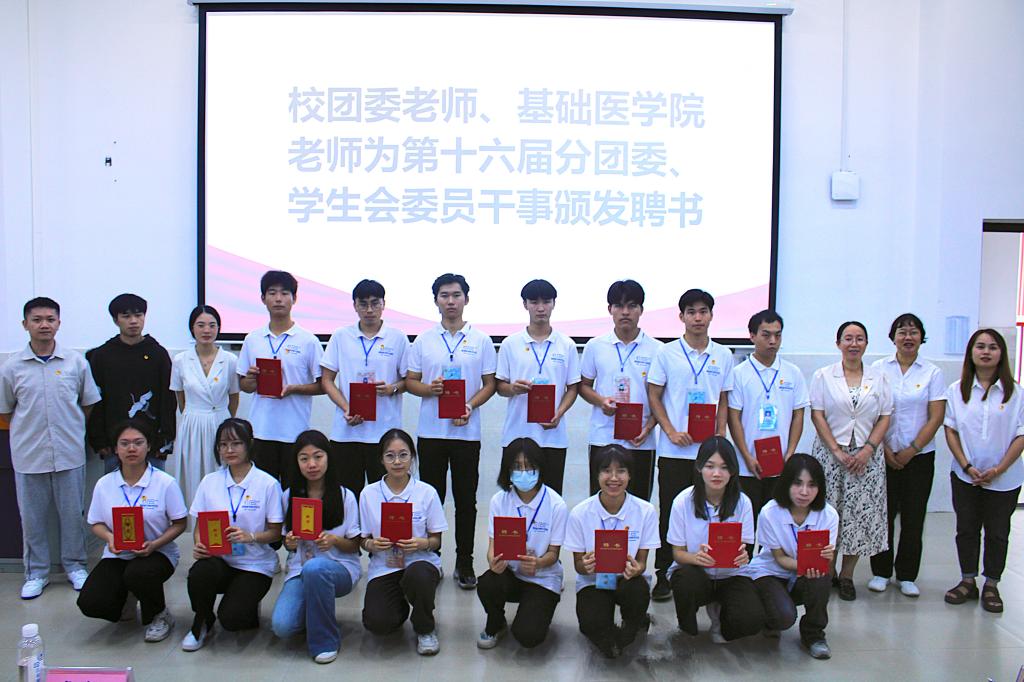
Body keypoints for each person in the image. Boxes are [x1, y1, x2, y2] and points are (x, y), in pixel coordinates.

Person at [0, 297, 101, 599]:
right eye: (37, 319)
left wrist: (69, 429)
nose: (44, 325)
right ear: (25, 324)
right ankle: (36, 573)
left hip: (69, 453)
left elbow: (87, 404)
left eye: (50, 319)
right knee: (32, 520)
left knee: (72, 516)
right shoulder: (12, 367)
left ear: (58, 323)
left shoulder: (75, 363)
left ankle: (75, 566)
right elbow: (6, 411)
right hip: (28, 456)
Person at [404, 273, 496, 589]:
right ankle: (431, 560)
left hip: (466, 434)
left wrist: (469, 405)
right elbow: (411, 381)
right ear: (436, 301)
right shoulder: (424, 340)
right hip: (431, 433)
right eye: (444, 295)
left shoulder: (481, 340)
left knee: (466, 501)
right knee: (431, 499)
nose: (451, 301)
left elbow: (490, 384)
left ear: (466, 299)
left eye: (456, 295)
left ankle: (465, 562)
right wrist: (429, 390)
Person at [647, 289, 734, 601]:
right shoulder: (666, 353)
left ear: (711, 315)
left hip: (709, 454)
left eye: (703, 311)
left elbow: (723, 399)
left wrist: (719, 438)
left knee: (710, 510)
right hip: (674, 450)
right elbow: (654, 395)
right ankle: (664, 573)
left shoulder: (723, 355)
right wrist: (670, 431)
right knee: (670, 511)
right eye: (691, 312)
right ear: (681, 316)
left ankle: (708, 567)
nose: (698, 318)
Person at [77, 419, 187, 642]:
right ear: (116, 449)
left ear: (148, 446)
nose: (131, 449)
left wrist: (154, 544)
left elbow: (180, 523)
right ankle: (128, 596)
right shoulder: (105, 484)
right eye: (124, 443)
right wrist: (110, 538)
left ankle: (159, 615)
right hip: (118, 554)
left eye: (138, 442)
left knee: (139, 573)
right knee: (90, 602)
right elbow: (96, 523)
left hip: (157, 553)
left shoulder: (164, 483)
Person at [182, 418, 284, 651]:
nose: (229, 450)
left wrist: (251, 536)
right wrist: (199, 544)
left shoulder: (267, 484)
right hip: (220, 560)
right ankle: (201, 621)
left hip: (254, 564)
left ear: (249, 445)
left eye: (236, 443)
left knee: (233, 620)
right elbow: (199, 525)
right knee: (200, 572)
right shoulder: (209, 482)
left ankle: (244, 604)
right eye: (223, 444)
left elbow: (275, 533)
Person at [809, 321, 893, 601]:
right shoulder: (823, 375)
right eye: (848, 338)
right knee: (827, 512)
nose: (854, 344)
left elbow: (885, 416)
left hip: (866, 458)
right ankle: (827, 570)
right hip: (830, 456)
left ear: (866, 344)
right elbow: (817, 414)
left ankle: (847, 575)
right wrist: (836, 450)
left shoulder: (879, 377)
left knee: (858, 515)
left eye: (859, 339)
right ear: (838, 344)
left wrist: (868, 449)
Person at [943, 329, 1024, 613]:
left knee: (997, 532)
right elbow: (950, 430)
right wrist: (966, 465)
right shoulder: (957, 390)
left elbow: (1021, 435)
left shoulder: (1016, 393)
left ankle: (992, 583)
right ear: (971, 353)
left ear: (1001, 353)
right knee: (966, 529)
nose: (986, 352)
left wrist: (999, 469)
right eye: (980, 346)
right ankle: (967, 580)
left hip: (1004, 478)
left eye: (992, 347)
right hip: (965, 476)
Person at [867, 313, 946, 597]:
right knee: (882, 515)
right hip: (882, 453)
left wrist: (912, 450)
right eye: (902, 332)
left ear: (921, 338)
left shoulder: (932, 372)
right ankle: (880, 572)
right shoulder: (878, 369)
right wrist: (885, 449)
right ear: (893, 338)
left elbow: (936, 417)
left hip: (919, 457)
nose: (908, 337)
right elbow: (870, 411)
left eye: (913, 332)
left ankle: (907, 575)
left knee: (914, 516)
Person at [272, 430, 361, 664]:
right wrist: (290, 543)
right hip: (300, 570)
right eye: (304, 458)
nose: (312, 464)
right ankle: (314, 611)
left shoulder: (345, 496)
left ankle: (325, 641)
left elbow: (354, 545)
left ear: (328, 458)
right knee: (282, 626)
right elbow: (287, 542)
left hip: (340, 568)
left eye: (318, 457)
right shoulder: (289, 496)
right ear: (297, 462)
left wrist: (334, 541)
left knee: (316, 568)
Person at [564, 446, 659, 658]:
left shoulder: (645, 511)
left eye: (621, 471)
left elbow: (642, 562)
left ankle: (635, 620)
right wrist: (585, 566)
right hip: (594, 582)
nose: (614, 478)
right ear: (596, 474)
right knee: (592, 626)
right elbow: (578, 565)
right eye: (606, 470)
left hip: (629, 581)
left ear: (630, 475)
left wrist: (636, 569)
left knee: (636, 594)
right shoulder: (580, 513)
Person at [359, 429, 447, 655]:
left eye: (403, 455)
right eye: (390, 456)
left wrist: (421, 544)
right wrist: (371, 545)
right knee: (377, 623)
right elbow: (363, 539)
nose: (397, 462)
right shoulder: (368, 494)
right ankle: (399, 605)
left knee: (419, 575)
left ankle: (425, 628)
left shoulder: (427, 492)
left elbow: (436, 540)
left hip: (420, 562)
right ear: (381, 459)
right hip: (384, 565)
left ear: (412, 457)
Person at [666, 437, 762, 644]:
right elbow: (677, 553)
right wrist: (696, 558)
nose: (717, 474)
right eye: (710, 466)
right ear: (699, 467)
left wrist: (743, 556)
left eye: (724, 467)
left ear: (733, 470)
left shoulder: (743, 503)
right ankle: (687, 627)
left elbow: (745, 548)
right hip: (697, 573)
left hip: (732, 575)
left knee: (752, 620)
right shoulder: (682, 502)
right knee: (685, 581)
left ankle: (721, 616)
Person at [477, 437, 567, 649]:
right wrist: (493, 561)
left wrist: (539, 563)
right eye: (517, 467)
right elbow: (492, 546)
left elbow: (554, 553)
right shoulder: (499, 500)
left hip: (542, 577)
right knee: (488, 582)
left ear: (540, 468)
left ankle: (540, 608)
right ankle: (496, 623)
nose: (524, 473)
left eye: (529, 466)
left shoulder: (556, 504)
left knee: (528, 636)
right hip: (511, 573)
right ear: (507, 470)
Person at [320, 279, 407, 497]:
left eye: (375, 303)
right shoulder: (341, 336)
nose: (369, 310)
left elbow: (409, 381)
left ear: (383, 304)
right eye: (363, 304)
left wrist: (392, 388)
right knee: (347, 497)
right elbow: (327, 380)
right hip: (347, 432)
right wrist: (346, 407)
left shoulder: (398, 338)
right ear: (354, 305)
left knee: (384, 498)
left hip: (384, 434)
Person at [748, 453, 838, 660]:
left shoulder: (828, 515)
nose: (804, 492)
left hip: (803, 573)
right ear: (786, 483)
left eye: (812, 485)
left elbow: (827, 560)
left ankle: (814, 635)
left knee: (822, 577)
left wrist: (826, 559)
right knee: (784, 617)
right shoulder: (770, 512)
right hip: (772, 573)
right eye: (797, 483)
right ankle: (770, 616)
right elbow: (779, 558)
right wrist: (807, 565)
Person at [237, 270, 324, 483]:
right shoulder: (252, 339)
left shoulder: (308, 340)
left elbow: (322, 385)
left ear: (294, 298)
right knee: (263, 492)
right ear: (263, 298)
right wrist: (251, 380)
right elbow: (244, 385)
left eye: (285, 293)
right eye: (272, 293)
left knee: (293, 492)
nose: (278, 299)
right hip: (261, 431)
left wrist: (294, 389)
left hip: (295, 432)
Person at [495, 279, 581, 495]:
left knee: (552, 497)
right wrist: (513, 388)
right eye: (534, 302)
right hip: (517, 435)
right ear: (525, 304)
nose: (541, 308)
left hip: (553, 436)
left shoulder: (567, 344)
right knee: (514, 496)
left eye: (546, 302)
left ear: (554, 304)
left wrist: (559, 413)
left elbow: (573, 388)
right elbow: (500, 386)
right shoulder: (510, 343)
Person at [579, 279, 662, 500]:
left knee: (640, 503)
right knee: (600, 501)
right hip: (603, 436)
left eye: (632, 306)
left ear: (641, 310)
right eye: (619, 306)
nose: (625, 312)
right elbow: (583, 386)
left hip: (641, 440)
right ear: (610, 309)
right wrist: (601, 401)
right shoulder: (595, 346)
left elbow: (662, 399)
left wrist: (649, 428)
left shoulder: (658, 350)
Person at [727, 310, 809, 525]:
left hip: (781, 466)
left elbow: (798, 415)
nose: (773, 341)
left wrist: (790, 453)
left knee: (776, 525)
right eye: (766, 335)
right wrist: (746, 456)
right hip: (748, 466)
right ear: (752, 336)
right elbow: (733, 418)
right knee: (746, 524)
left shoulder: (793, 373)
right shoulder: (739, 373)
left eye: (777, 335)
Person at [86, 293, 175, 472]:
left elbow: (168, 399)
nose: (133, 321)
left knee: (155, 488)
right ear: (115, 320)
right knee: (115, 488)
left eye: (138, 315)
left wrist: (166, 440)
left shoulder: (158, 354)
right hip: (114, 444)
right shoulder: (102, 355)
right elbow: (95, 400)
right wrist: (99, 441)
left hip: (153, 443)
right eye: (126, 316)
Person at [170, 305, 239, 507]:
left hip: (221, 422)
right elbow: (180, 397)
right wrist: (195, 414)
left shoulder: (230, 360)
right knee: (194, 476)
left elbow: (234, 397)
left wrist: (224, 420)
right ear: (192, 328)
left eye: (212, 325)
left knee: (221, 475)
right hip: (192, 423)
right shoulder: (180, 360)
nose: (206, 330)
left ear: (219, 328)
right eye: (200, 325)